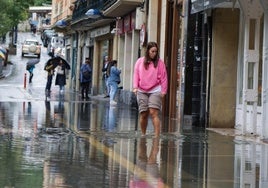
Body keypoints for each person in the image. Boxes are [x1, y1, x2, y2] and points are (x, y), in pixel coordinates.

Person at [133, 42, 168, 137]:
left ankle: (157, 136)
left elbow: (164, 78)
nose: (154, 53)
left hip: (155, 90)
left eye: (156, 51)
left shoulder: (160, 63)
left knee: (153, 113)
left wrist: (164, 91)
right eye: (152, 51)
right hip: (141, 90)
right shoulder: (140, 62)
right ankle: (143, 134)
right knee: (143, 114)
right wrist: (135, 87)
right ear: (148, 51)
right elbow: (136, 75)